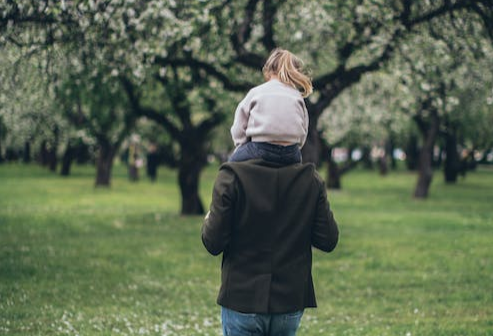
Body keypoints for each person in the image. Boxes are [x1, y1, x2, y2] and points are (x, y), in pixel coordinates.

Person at [202, 159, 339, 336]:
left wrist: (208, 219)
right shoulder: (311, 179)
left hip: (242, 296)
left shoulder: (231, 176)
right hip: (289, 299)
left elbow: (213, 242)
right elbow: (327, 240)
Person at [229, 48, 312, 164]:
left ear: (267, 69)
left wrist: (241, 145)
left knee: (231, 164)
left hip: (260, 149)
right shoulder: (297, 96)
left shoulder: (256, 92)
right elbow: (304, 128)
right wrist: (295, 147)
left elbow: (239, 127)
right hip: (291, 153)